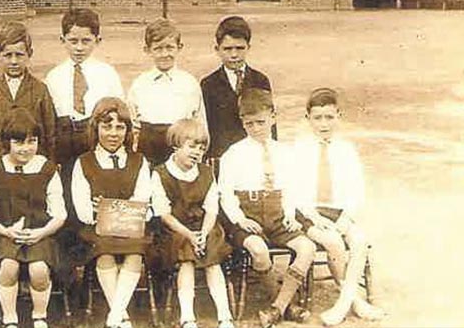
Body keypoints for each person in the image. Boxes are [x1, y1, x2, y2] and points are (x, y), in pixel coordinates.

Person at [219, 88, 314, 328]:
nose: (256, 128)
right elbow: (225, 192)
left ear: (273, 116)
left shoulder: (284, 152)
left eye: (261, 122)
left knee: (307, 248)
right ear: (242, 123)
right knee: (258, 250)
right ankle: (288, 306)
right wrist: (239, 219)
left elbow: (292, 187)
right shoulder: (234, 153)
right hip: (247, 214)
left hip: (277, 211)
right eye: (249, 123)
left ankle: (278, 307)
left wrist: (291, 216)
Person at [292, 88, 385, 326]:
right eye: (317, 118)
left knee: (360, 241)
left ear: (338, 116)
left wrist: (347, 217)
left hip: (340, 212)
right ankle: (353, 303)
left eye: (329, 117)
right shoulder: (300, 149)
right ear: (308, 118)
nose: (324, 124)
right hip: (310, 212)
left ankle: (344, 303)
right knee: (333, 241)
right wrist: (313, 216)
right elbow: (294, 190)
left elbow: (357, 190)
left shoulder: (346, 150)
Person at [71, 97, 152, 328]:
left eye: (120, 127)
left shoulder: (138, 161)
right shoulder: (84, 163)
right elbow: (82, 207)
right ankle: (122, 315)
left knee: (134, 254)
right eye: (106, 127)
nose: (113, 133)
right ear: (96, 128)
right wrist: (97, 213)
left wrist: (114, 209)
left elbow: (142, 198)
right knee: (104, 252)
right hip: (97, 229)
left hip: (130, 227)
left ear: (127, 131)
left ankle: (115, 315)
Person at [149, 118, 235, 328]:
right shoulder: (161, 173)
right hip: (175, 229)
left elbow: (212, 208)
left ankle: (225, 316)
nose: (197, 152)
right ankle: (187, 317)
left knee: (212, 262)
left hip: (204, 227)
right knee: (186, 260)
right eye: (191, 146)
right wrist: (189, 234)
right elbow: (163, 214)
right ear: (176, 145)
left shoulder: (205, 172)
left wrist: (203, 233)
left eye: (202, 147)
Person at [0, 111, 67, 328]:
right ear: (7, 143)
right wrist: (5, 231)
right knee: (8, 266)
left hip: (41, 234)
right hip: (6, 234)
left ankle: (39, 315)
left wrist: (41, 233)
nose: (25, 148)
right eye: (18, 142)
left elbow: (60, 214)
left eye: (32, 141)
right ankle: (10, 318)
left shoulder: (47, 169)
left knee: (39, 269)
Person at [45, 8, 125, 167]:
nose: (79, 48)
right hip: (65, 141)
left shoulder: (107, 74)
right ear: (62, 40)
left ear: (97, 40)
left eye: (86, 41)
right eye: (73, 41)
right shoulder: (53, 77)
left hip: (96, 139)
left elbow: (120, 111)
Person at [0, 21, 57, 164]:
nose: (14, 61)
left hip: (32, 161)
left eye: (19, 55)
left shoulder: (40, 89)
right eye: (8, 55)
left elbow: (50, 132)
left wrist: (50, 164)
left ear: (29, 54)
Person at [127, 18, 206, 166]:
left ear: (179, 47)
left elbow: (200, 123)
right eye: (158, 48)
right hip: (148, 152)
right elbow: (133, 125)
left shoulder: (189, 84)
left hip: (180, 151)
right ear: (147, 50)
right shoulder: (140, 84)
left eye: (170, 47)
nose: (164, 54)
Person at [200, 16, 274, 170]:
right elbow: (206, 126)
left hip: (255, 156)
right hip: (222, 158)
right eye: (227, 49)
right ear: (217, 49)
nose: (234, 55)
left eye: (240, 48)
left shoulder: (260, 80)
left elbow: (270, 123)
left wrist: (270, 154)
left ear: (248, 47)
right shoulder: (208, 84)